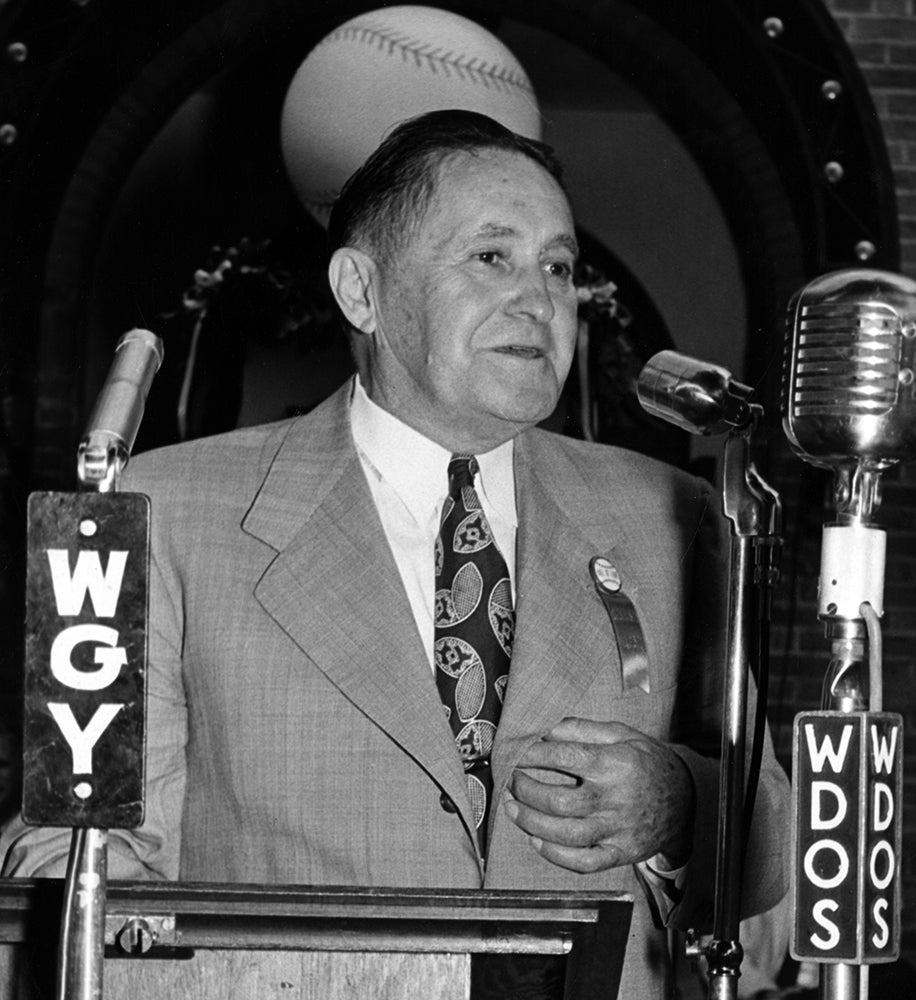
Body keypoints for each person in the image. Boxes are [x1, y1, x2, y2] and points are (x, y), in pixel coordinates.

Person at [1, 109, 789, 999]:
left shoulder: (671, 514)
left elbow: (772, 845)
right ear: (361, 292)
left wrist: (681, 803)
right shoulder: (152, 511)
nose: (538, 299)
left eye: (559, 267)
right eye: (491, 257)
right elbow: (73, 856)